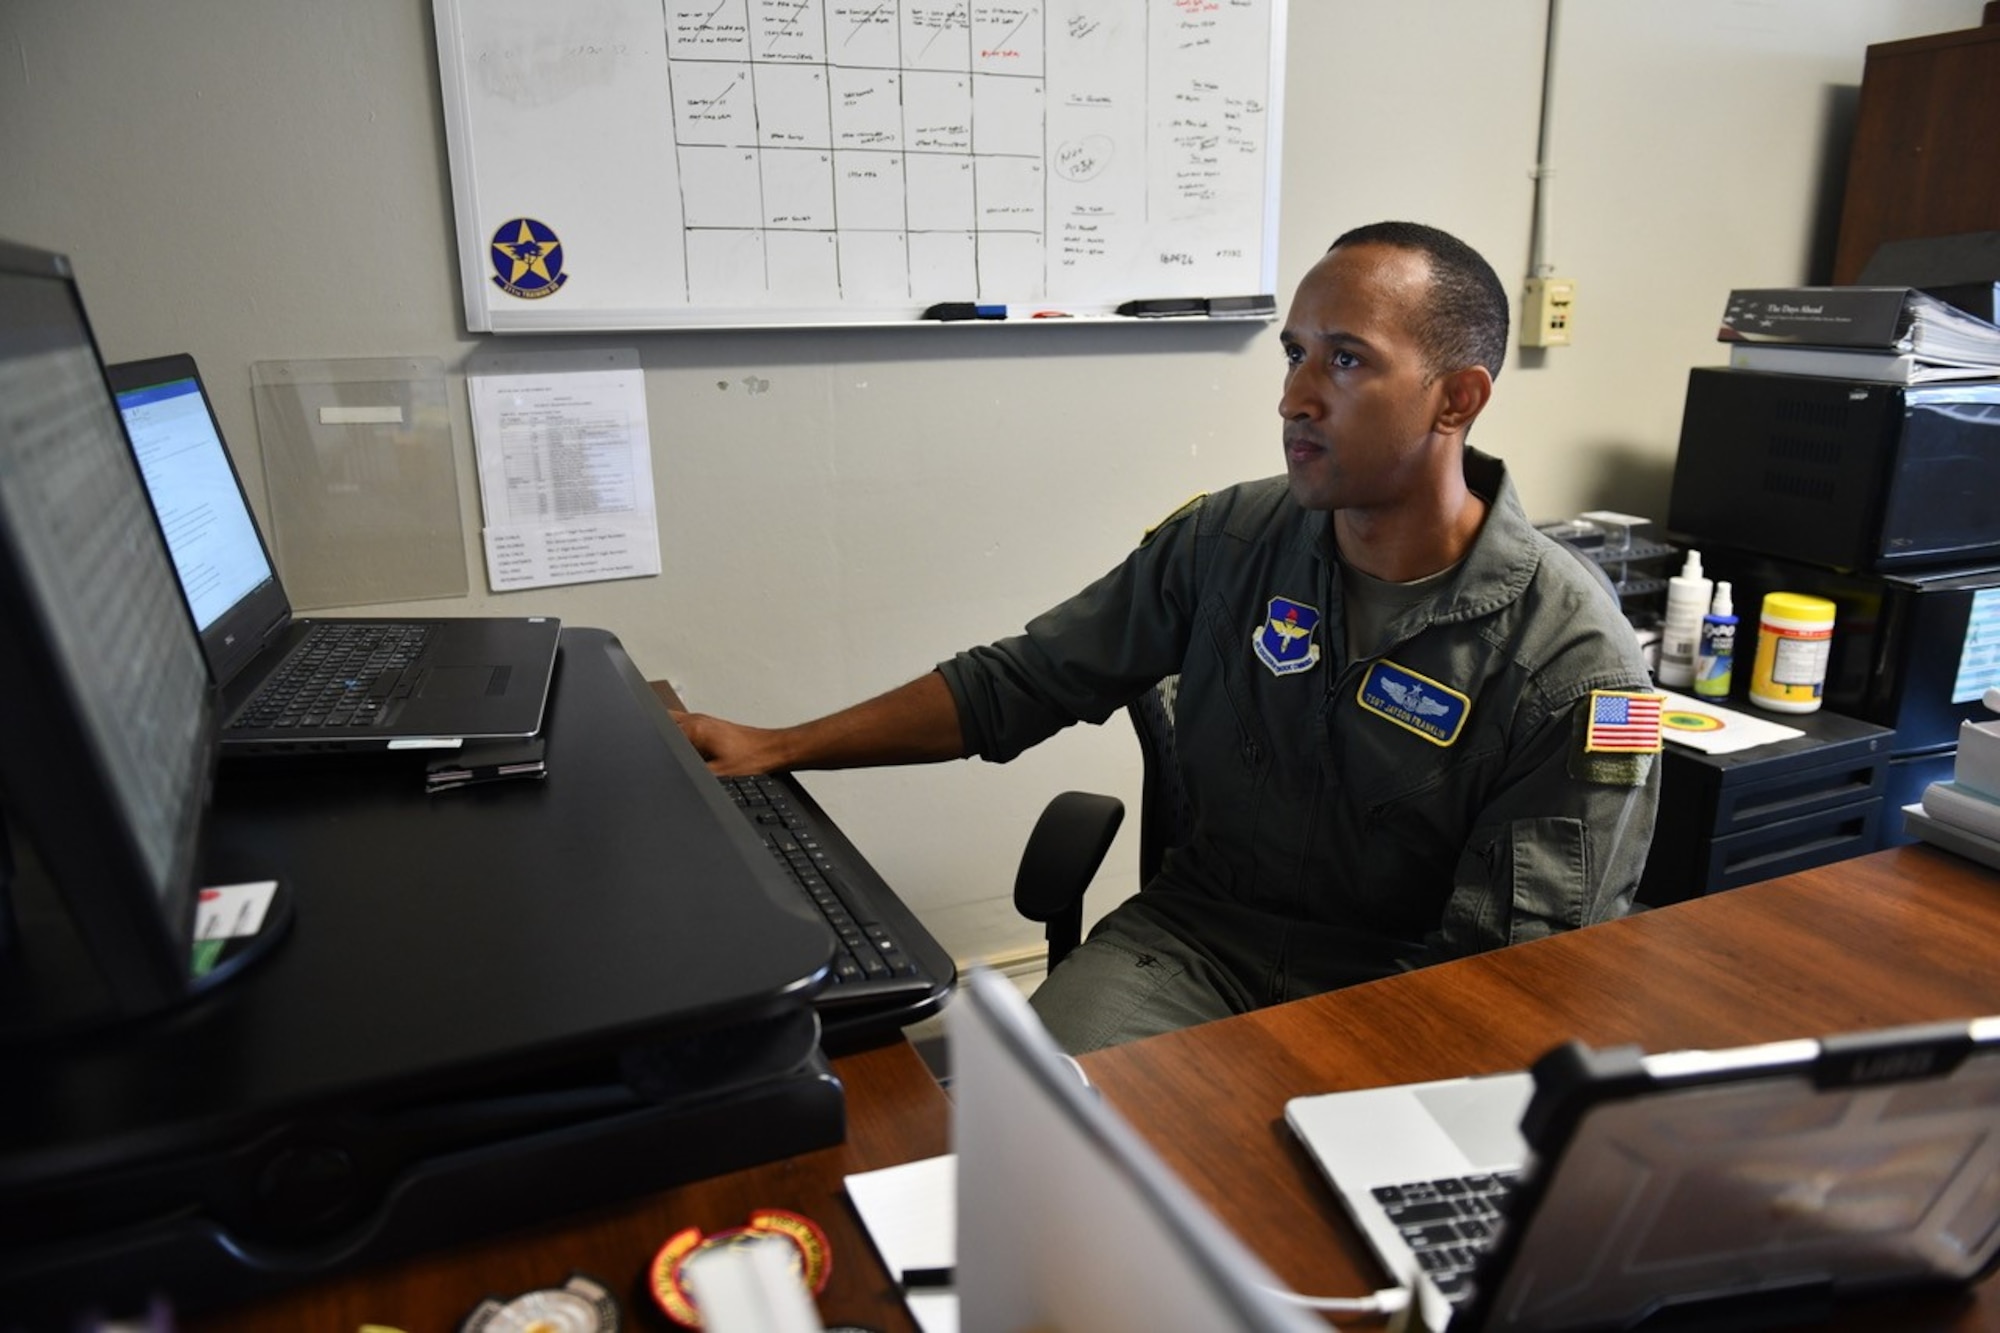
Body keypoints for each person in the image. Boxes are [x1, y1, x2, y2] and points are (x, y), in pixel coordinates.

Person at [674, 221, 1660, 1053]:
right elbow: (1019, 682)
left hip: (1391, 991)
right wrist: (778, 744)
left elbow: (1519, 966)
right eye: (1293, 353)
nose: (1294, 396)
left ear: (1458, 398)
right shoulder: (1230, 539)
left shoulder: (1575, 664)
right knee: (1022, 1134)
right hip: (1195, 943)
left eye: (1346, 359)